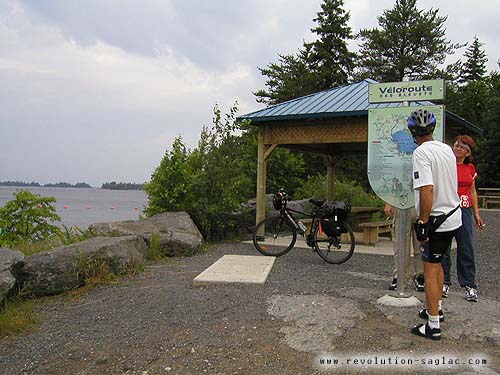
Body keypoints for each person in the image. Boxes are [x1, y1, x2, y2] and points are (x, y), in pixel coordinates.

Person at [408, 108, 462, 341]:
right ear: (432, 129)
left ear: (413, 132)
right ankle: (436, 309)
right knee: (439, 265)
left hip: (436, 220)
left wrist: (423, 220)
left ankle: (432, 326)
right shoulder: (447, 149)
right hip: (454, 215)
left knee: (430, 270)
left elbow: (427, 188)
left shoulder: (421, 153)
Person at [441, 135, 485, 302]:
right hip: (447, 208)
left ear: (467, 152)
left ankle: (469, 285)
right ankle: (444, 282)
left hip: (464, 209)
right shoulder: (446, 164)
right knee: (443, 246)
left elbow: (472, 191)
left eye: (462, 147)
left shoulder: (470, 168)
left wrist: (477, 214)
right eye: (456, 145)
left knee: (466, 246)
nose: (457, 148)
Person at [385, 204, 424, 291]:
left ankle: (420, 275)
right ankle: (400, 275)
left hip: (420, 202)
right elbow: (391, 189)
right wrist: (389, 203)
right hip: (401, 203)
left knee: (421, 242)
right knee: (400, 243)